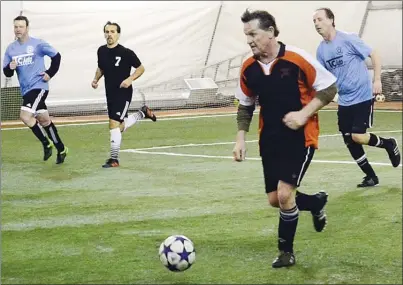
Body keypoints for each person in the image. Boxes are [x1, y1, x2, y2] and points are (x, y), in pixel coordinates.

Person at [233, 9, 339, 268]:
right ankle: (315, 202)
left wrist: (304, 114)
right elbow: (245, 105)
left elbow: (329, 87)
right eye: (246, 35)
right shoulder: (248, 68)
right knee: (274, 199)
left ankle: (286, 252)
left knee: (283, 195)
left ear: (270, 31)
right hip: (269, 139)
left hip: (300, 137)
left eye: (253, 34)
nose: (249, 40)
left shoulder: (297, 58)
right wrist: (240, 138)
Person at [313, 8, 401, 187]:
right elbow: (323, 77)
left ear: (331, 20)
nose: (316, 24)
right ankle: (371, 177)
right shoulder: (321, 50)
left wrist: (377, 79)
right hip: (344, 100)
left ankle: (389, 144)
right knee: (349, 139)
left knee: (358, 136)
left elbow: (374, 54)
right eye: (314, 21)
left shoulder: (348, 39)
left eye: (319, 20)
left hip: (362, 95)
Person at [2, 15, 68, 164]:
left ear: (27, 28)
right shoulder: (11, 49)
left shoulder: (38, 44)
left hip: (39, 87)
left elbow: (57, 57)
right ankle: (62, 148)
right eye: (16, 27)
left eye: (21, 26)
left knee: (25, 116)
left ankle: (46, 143)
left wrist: (49, 74)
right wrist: (9, 68)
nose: (18, 29)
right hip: (26, 90)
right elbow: (7, 73)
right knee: (44, 120)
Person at [91, 21, 157, 168]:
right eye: (107, 32)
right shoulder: (101, 51)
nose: (109, 34)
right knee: (118, 127)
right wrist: (95, 79)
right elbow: (101, 68)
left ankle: (114, 159)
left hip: (123, 93)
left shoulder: (126, 53)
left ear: (118, 34)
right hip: (110, 93)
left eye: (112, 32)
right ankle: (142, 113)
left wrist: (130, 79)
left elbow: (140, 68)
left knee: (113, 125)